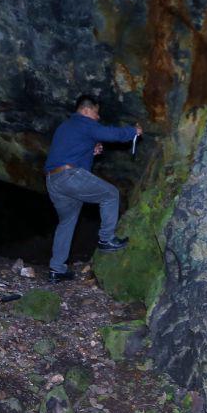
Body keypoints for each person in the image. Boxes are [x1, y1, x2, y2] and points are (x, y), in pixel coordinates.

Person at [43, 94, 142, 282]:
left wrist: (90, 150)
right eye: (96, 113)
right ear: (86, 110)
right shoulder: (83, 122)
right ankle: (106, 239)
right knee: (111, 194)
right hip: (69, 177)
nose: (98, 117)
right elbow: (110, 134)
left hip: (53, 180)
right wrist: (133, 131)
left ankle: (57, 270)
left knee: (67, 222)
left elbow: (69, 151)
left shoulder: (65, 127)